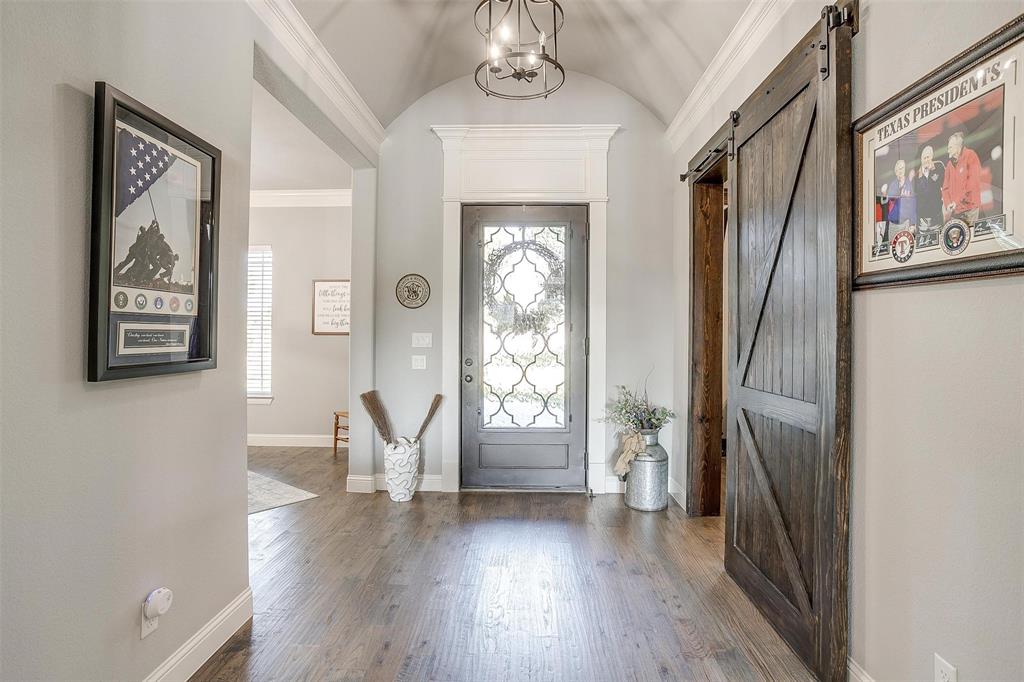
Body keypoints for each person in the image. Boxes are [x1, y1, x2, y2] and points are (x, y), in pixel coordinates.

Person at [941, 131, 981, 228]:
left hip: (970, 209)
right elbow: (945, 188)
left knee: (970, 240)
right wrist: (948, 204)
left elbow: (972, 183)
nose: (948, 151)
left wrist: (956, 201)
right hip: (955, 212)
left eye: (950, 148)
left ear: (957, 147)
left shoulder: (971, 155)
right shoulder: (949, 165)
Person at [914, 145, 945, 246]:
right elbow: (915, 197)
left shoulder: (939, 167)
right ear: (921, 159)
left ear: (932, 157)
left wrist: (931, 171)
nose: (926, 160)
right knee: (923, 246)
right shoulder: (916, 175)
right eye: (924, 157)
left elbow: (944, 185)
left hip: (936, 217)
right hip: (922, 220)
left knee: (938, 245)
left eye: (928, 157)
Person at [882, 159, 916, 230]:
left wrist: (913, 223)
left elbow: (913, 204)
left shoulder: (909, 184)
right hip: (893, 223)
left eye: (902, 168)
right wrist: (884, 193)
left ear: (904, 169)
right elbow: (887, 201)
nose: (900, 170)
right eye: (898, 169)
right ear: (896, 172)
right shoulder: (893, 185)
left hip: (906, 223)